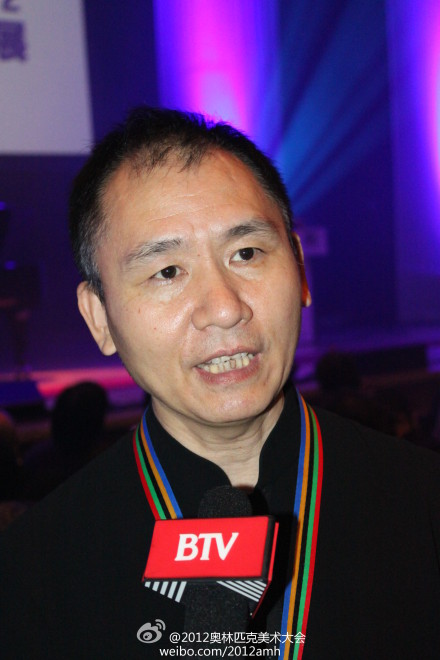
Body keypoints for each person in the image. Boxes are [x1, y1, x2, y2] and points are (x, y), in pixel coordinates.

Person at [1, 107, 439, 659]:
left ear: (300, 270)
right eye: (167, 271)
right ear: (99, 317)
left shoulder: (422, 504)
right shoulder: (33, 571)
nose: (225, 308)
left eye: (247, 253)